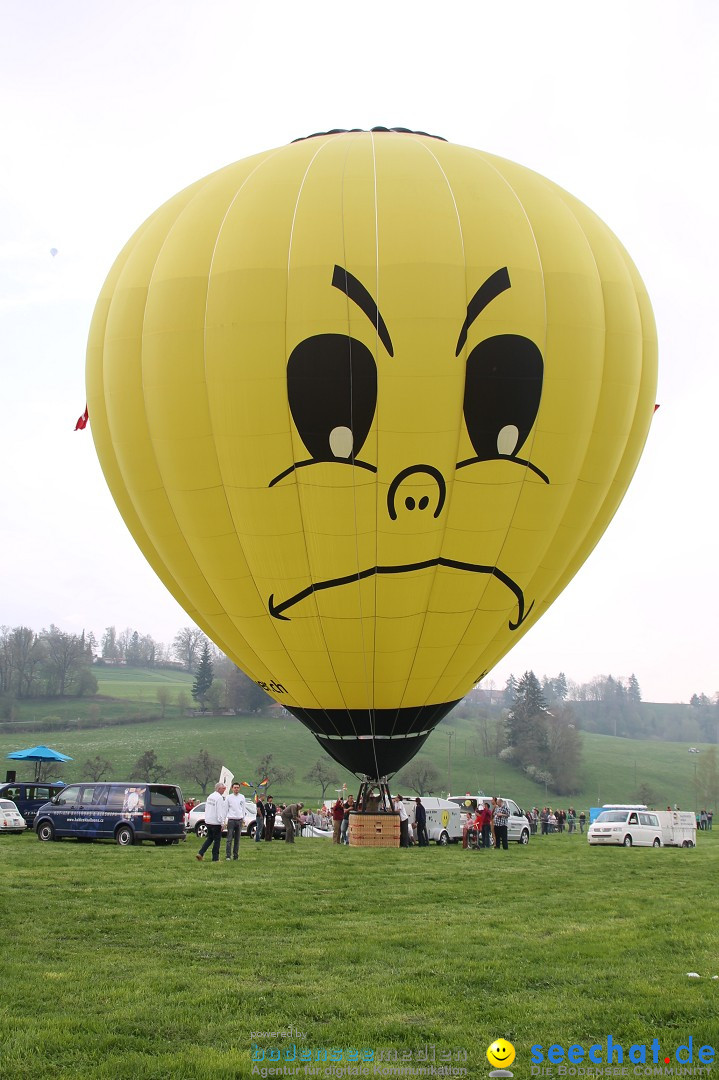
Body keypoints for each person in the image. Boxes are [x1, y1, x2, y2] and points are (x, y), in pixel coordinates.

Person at [196, 783, 226, 862]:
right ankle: (215, 858)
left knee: (210, 838)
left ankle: (201, 853)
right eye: (223, 788)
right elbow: (220, 811)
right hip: (216, 822)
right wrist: (222, 823)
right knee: (217, 841)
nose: (224, 790)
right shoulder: (219, 798)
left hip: (208, 821)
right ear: (219, 789)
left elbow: (207, 808)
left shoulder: (210, 796)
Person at [225, 783, 247, 860]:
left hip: (239, 820)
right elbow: (226, 809)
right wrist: (225, 820)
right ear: (232, 788)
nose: (236, 789)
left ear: (239, 788)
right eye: (235, 787)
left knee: (237, 839)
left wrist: (244, 819)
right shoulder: (229, 797)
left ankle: (235, 855)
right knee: (229, 839)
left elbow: (243, 809)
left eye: (237, 787)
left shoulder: (242, 797)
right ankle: (228, 855)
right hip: (231, 819)